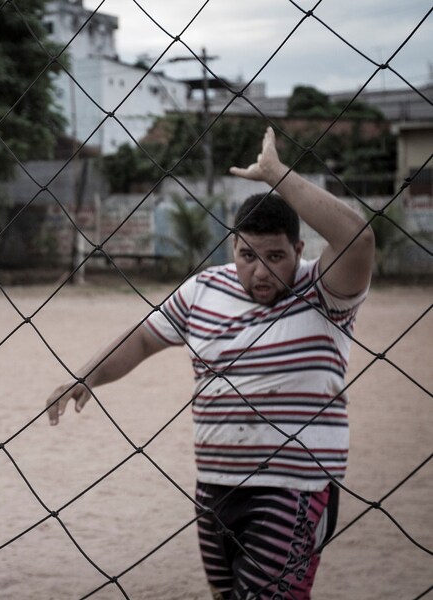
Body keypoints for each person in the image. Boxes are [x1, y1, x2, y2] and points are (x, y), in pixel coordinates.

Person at [45, 127, 375, 600]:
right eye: (247, 256)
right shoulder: (204, 289)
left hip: (293, 488)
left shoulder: (324, 291)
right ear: (232, 248)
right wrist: (87, 375)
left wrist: (277, 174)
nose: (260, 271)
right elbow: (143, 338)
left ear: (299, 251)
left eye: (275, 256)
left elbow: (358, 239)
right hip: (214, 489)